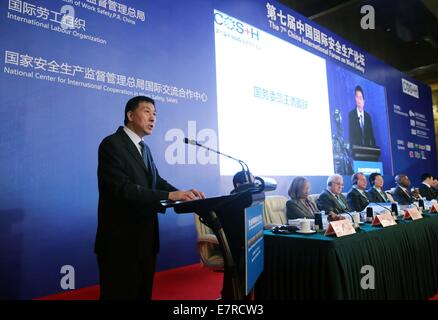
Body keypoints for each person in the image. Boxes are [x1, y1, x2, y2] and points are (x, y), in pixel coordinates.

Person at [95, 96, 205, 300]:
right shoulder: (112, 144)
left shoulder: (144, 148)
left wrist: (183, 194)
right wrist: (169, 195)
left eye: (155, 114)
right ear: (130, 115)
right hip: (121, 243)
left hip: (146, 239)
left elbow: (157, 181)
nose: (153, 117)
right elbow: (122, 189)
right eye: (147, 111)